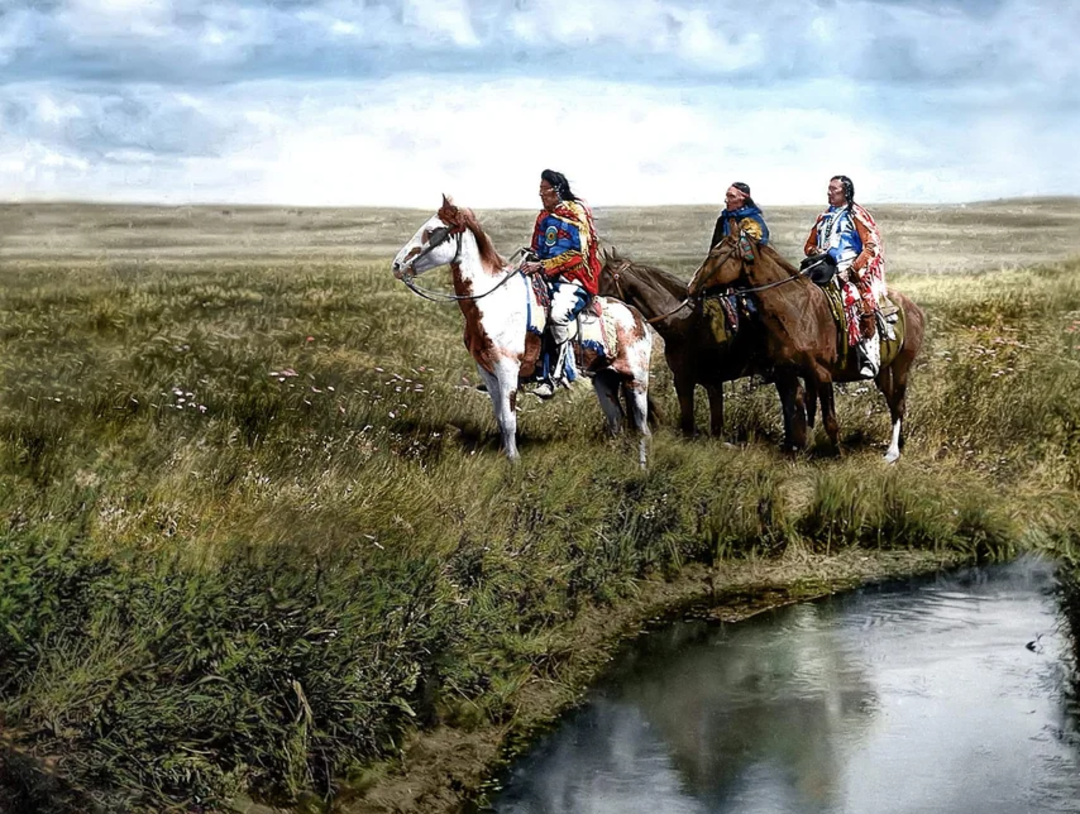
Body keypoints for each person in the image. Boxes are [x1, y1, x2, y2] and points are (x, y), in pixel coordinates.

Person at [520, 169, 602, 399]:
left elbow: (576, 253)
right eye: (540, 192)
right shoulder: (543, 217)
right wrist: (530, 259)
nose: (541, 196)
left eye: (544, 191)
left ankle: (557, 377)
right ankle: (526, 370)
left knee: (557, 316)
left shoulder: (575, 214)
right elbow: (538, 247)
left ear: (556, 191)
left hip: (574, 279)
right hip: (546, 276)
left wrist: (543, 266)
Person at [803, 175, 888, 378]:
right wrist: (815, 251)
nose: (829, 193)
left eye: (834, 190)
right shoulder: (824, 217)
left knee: (855, 301)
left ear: (846, 193)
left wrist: (853, 269)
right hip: (822, 268)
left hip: (848, 270)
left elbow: (871, 246)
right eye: (829, 189)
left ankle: (868, 355)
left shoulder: (856, 215)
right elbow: (808, 246)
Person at [709, 182, 770, 250]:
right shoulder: (723, 219)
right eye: (727, 196)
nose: (726, 200)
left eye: (731, 196)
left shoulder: (754, 219)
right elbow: (714, 246)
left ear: (742, 198)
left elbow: (762, 243)